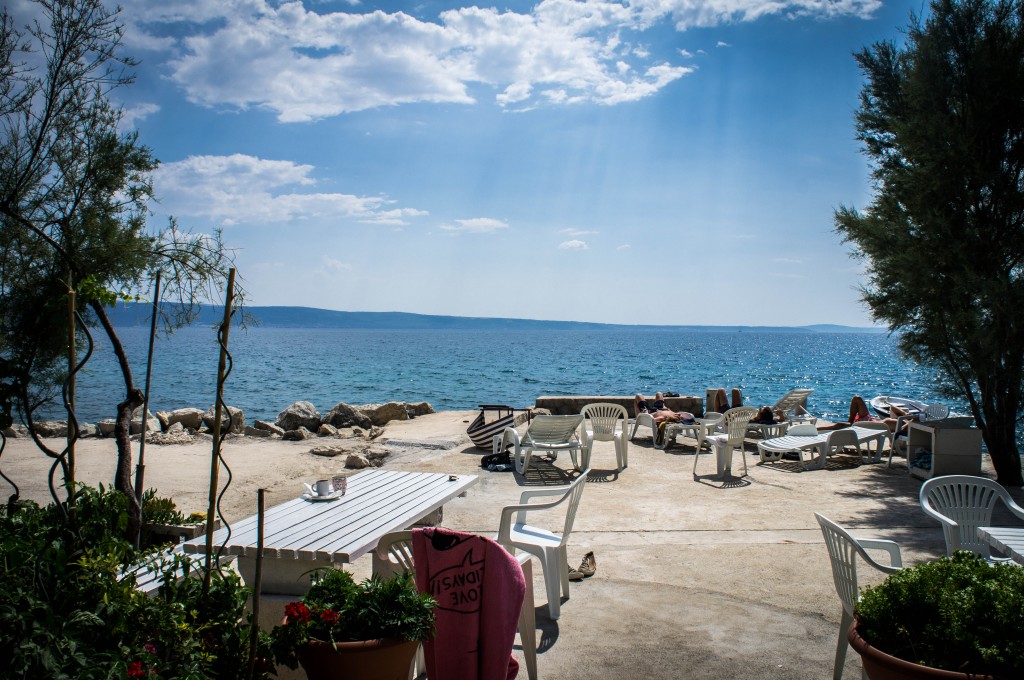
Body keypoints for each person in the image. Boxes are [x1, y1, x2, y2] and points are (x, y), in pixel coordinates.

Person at [818, 395, 900, 431]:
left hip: (868, 426)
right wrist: (905, 414)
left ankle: (817, 430)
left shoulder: (903, 426)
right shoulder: (905, 421)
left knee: (840, 425)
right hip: (871, 420)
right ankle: (850, 421)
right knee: (857, 398)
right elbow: (893, 408)